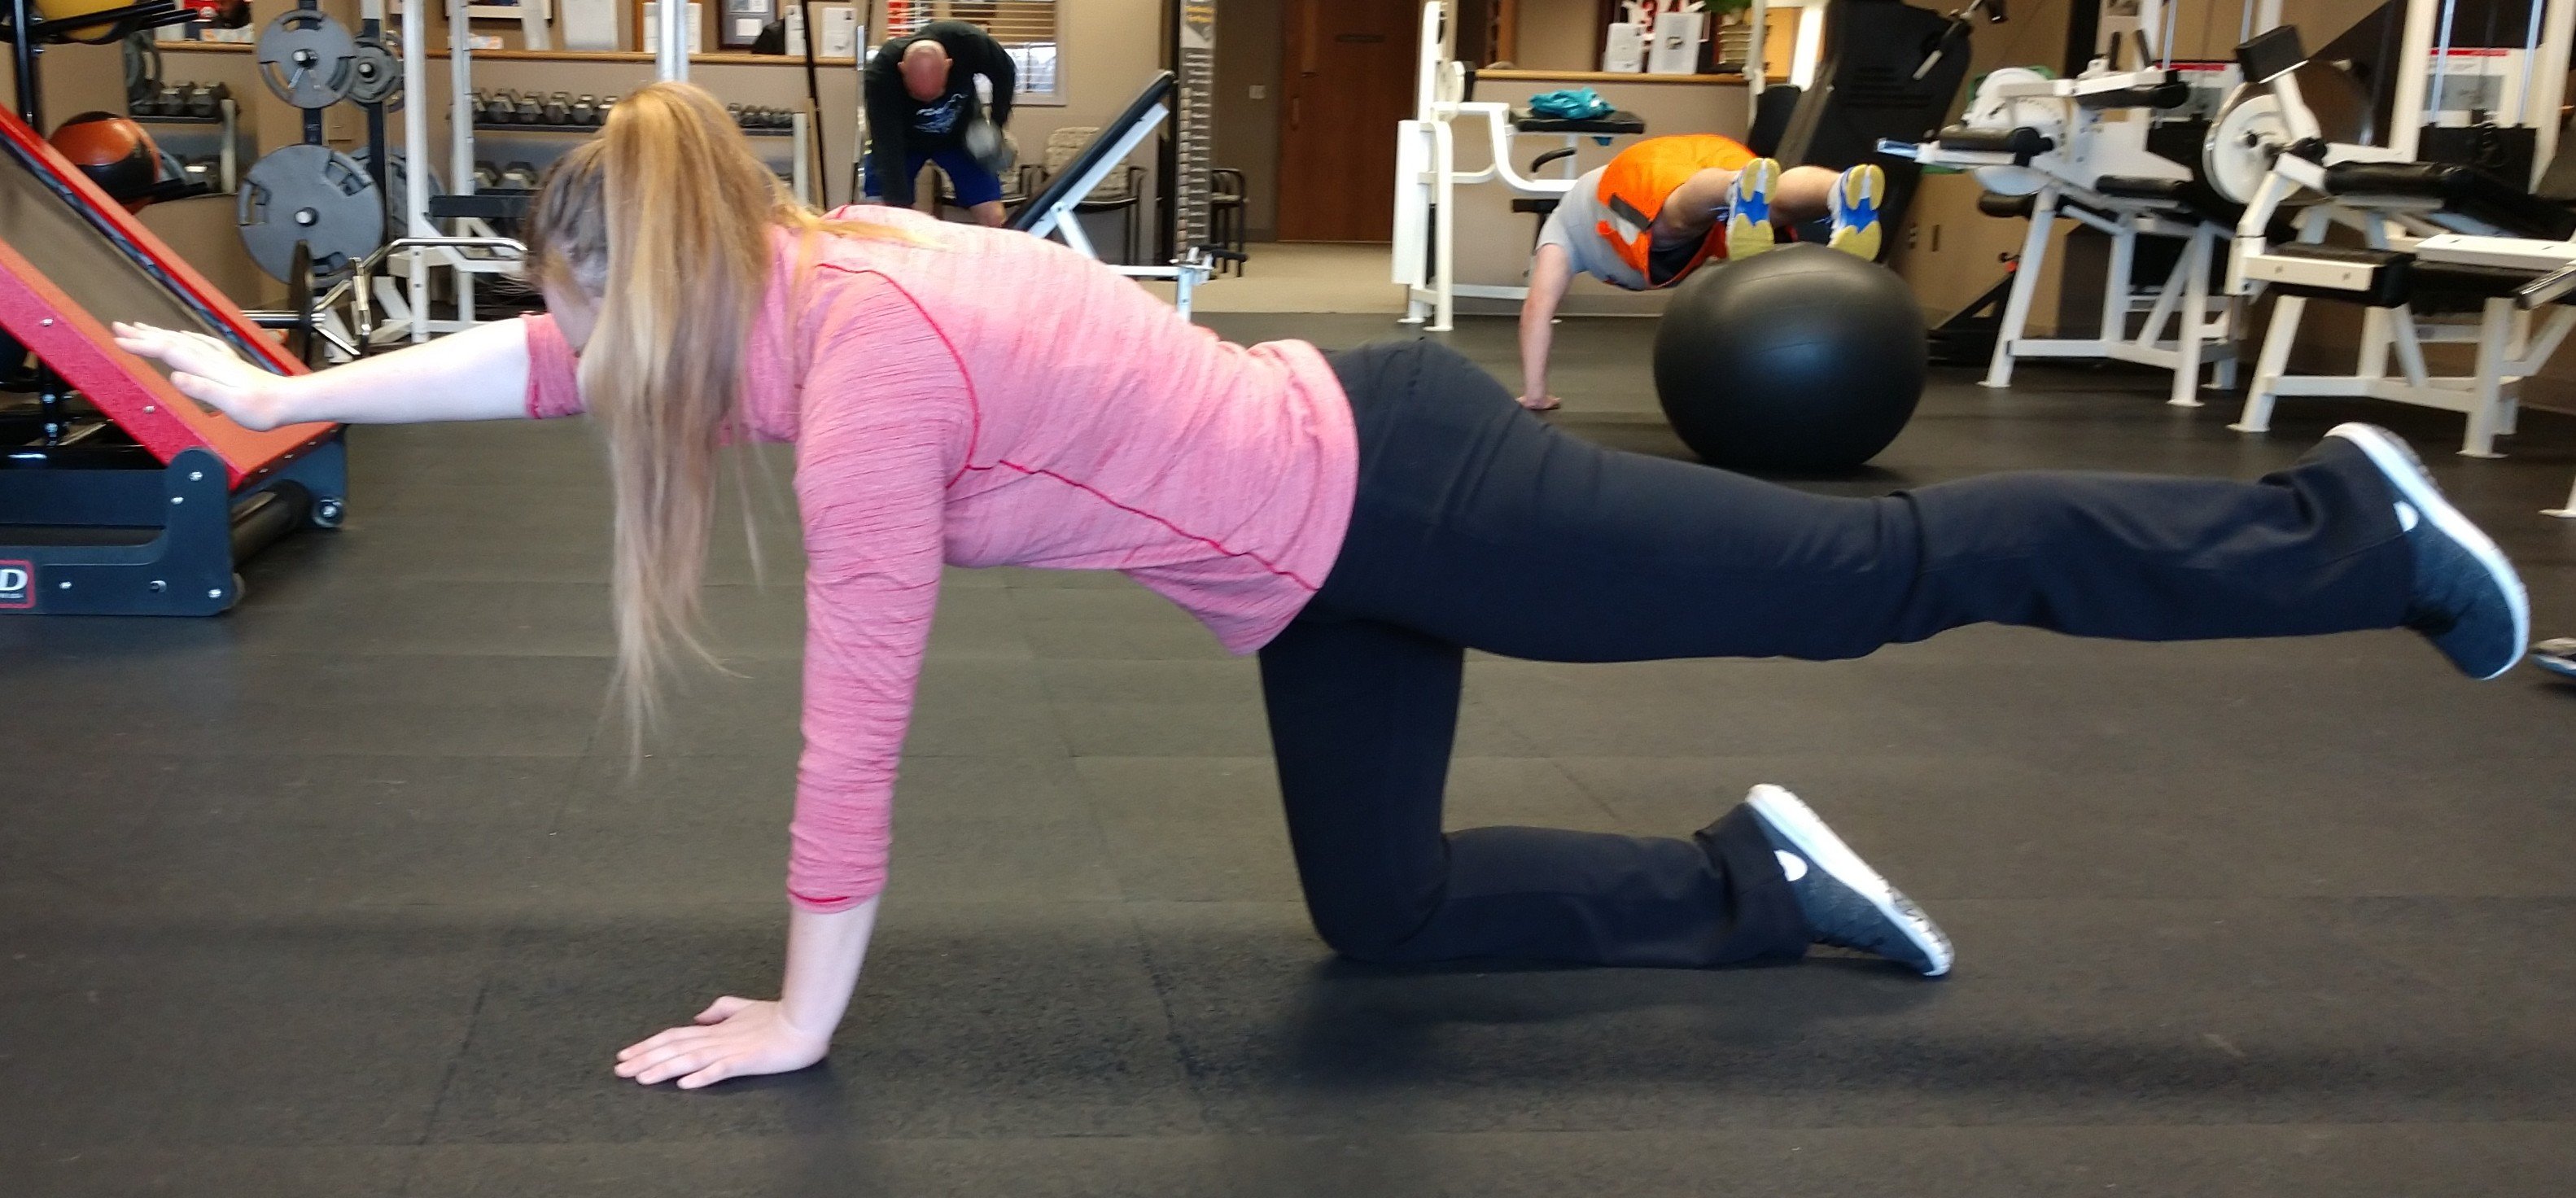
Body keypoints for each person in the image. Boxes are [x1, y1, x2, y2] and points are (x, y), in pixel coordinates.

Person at [116, 82, 2529, 1092]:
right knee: (1378, 913)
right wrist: (275, 397)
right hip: (1312, 567)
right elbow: (553, 360)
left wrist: (798, 1011)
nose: (600, 366)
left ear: (687, 280)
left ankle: (2333, 530)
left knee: (1868, 573)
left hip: (1413, 489)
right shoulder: (779, 261)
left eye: (614, 321)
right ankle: (1745, 882)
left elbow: (857, 718)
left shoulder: (854, 372)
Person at [1518, 135, 1886, 411]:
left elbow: (1538, 307)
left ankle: (1733, 188)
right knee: (1773, 204)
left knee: (1674, 223)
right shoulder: (1571, 220)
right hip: (1708, 153)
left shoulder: (1560, 229)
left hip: (1635, 174)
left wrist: (1536, 394)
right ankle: (1837, 190)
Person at [860, 20, 1016, 227]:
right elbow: (887, 145)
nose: (928, 102)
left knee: (994, 217)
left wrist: (994, 126)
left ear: (948, 65)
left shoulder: (968, 43)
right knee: (885, 218)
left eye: (936, 93)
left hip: (959, 137)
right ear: (902, 69)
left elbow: (1005, 72)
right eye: (918, 95)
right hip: (903, 143)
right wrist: (899, 207)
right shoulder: (881, 75)